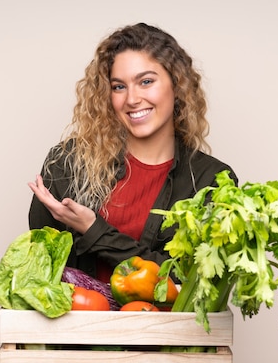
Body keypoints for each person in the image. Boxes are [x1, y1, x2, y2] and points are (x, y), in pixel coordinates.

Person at [28, 22, 238, 283]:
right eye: (119, 86)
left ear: (177, 85)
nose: (132, 99)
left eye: (146, 81)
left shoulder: (211, 180)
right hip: (78, 322)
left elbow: (193, 280)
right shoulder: (68, 163)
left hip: (164, 325)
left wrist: (95, 231)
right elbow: (39, 270)